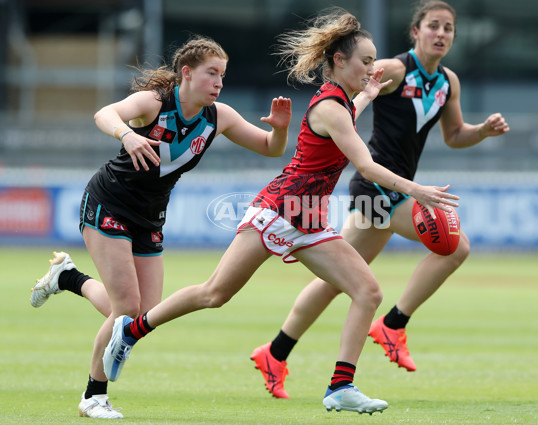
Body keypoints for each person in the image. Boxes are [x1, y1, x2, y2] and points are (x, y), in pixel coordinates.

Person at [101, 8, 460, 415]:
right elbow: (366, 166)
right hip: (279, 209)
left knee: (368, 291)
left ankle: (341, 386)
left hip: (307, 216)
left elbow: (349, 116)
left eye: (374, 60)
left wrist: (368, 94)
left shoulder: (341, 101)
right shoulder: (330, 106)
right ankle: (131, 330)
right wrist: (418, 191)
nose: (373, 67)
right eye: (365, 60)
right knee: (214, 293)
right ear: (339, 61)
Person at [249, 0, 510, 399]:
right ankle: (392, 323)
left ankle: (276, 352)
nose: (441, 34)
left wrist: (483, 132)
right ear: (415, 32)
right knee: (455, 247)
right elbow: (350, 97)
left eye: (448, 28)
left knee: (338, 281)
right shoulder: (390, 69)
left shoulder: (447, 83)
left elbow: (455, 135)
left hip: (391, 188)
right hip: (379, 187)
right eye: (433, 26)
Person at [31, 35, 292, 419]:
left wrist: (282, 128)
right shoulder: (155, 101)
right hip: (109, 202)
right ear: (186, 73)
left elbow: (271, 147)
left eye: (222, 75)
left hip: (149, 216)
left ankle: (68, 278)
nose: (219, 82)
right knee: (125, 309)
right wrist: (128, 133)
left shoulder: (220, 116)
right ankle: (93, 396)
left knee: (143, 314)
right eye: (211, 74)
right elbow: (105, 113)